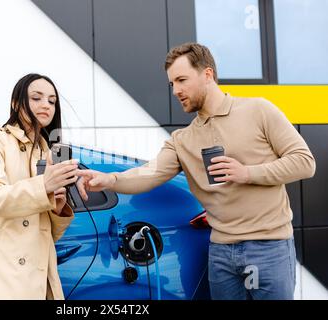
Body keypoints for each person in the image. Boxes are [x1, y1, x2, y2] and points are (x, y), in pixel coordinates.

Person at [76, 43, 316, 300]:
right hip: (221, 253)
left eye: (182, 80)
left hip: (269, 249)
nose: (176, 90)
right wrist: (109, 179)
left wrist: (247, 173)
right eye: (172, 84)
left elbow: (304, 162)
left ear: (208, 75)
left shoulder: (258, 110)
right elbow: (150, 173)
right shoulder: (182, 140)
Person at [0, 73, 79, 300]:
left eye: (52, 101)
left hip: (33, 281)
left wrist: (57, 208)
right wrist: (43, 185)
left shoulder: (48, 152)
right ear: (16, 103)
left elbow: (43, 234)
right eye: (36, 98)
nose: (45, 105)